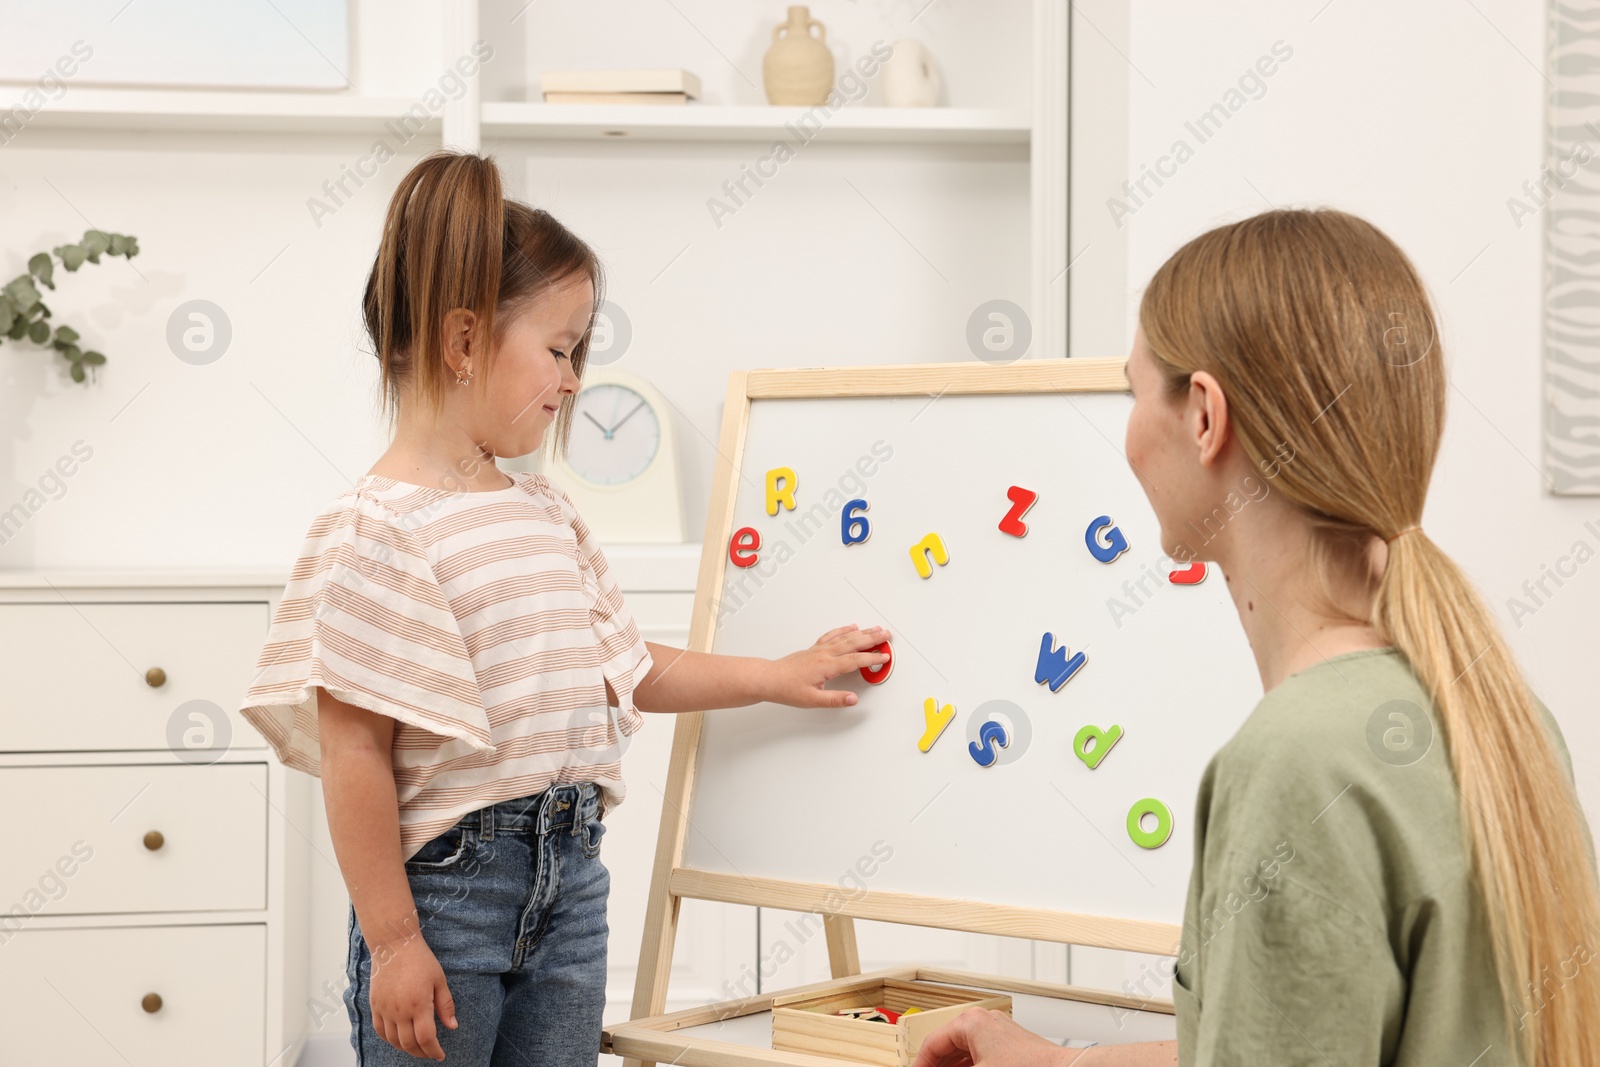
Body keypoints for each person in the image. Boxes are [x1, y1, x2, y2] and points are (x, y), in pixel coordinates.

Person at [238, 150, 892, 1066]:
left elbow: (624, 666)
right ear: (463, 342)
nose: (574, 379)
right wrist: (392, 941)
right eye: (559, 349)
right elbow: (354, 751)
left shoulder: (545, 512)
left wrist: (774, 674)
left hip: (571, 883)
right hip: (445, 899)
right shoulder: (374, 532)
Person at [912, 209, 1600, 1067]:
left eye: (1135, 392)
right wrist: (1059, 1061)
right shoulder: (1501, 711)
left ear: (1205, 415)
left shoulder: (1297, 764)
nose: (1127, 435)